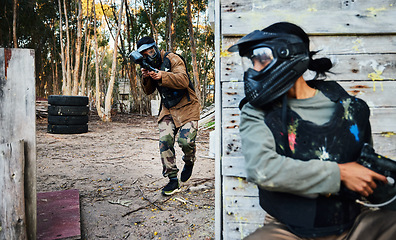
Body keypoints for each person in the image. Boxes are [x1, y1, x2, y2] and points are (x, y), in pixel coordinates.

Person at [228, 22, 396, 239]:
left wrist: (379, 187)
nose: (254, 70)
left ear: (289, 54)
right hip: (286, 228)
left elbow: (362, 166)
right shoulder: (256, 111)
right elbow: (262, 168)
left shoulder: (351, 108)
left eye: (261, 59)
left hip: (352, 224)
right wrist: (340, 174)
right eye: (252, 62)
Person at [136, 36, 200, 196]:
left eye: (150, 51)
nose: (148, 55)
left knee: (186, 142)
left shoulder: (173, 59)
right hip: (168, 109)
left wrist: (162, 75)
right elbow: (148, 91)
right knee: (165, 142)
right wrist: (146, 77)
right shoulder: (148, 65)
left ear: (155, 48)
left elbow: (184, 81)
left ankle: (189, 161)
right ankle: (172, 179)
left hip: (187, 106)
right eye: (144, 54)